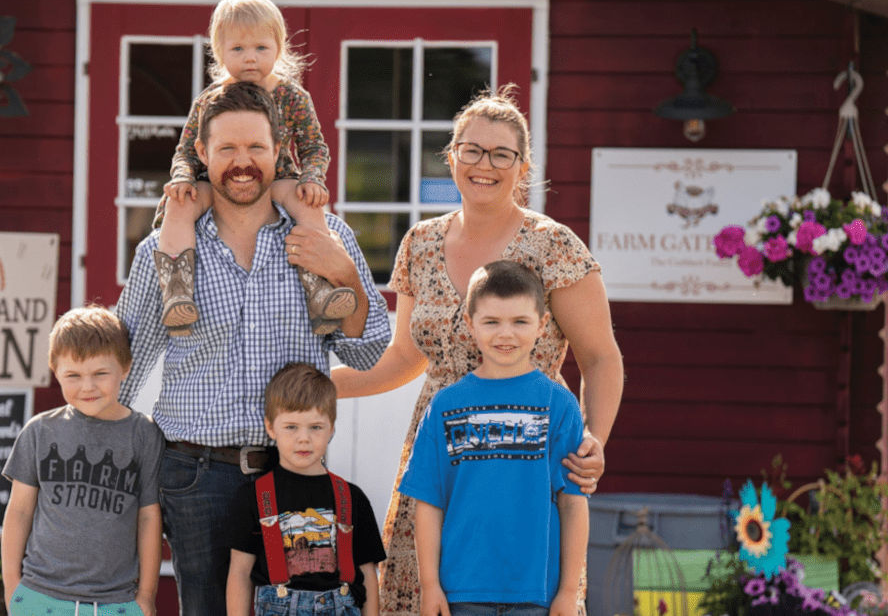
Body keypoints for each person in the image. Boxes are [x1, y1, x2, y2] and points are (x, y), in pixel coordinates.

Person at [330, 85, 623, 615]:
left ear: (522, 165)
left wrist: (593, 441)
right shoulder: (420, 242)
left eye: (501, 154)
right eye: (472, 150)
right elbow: (406, 358)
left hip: (528, 453)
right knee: (432, 593)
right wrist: (321, 387)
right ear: (452, 157)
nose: (484, 165)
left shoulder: (553, 245)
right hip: (446, 448)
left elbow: (601, 358)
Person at [116, 80, 391, 616]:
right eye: (227, 150)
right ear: (201, 153)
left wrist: (343, 274)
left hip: (297, 473)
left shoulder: (324, 237)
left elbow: (368, 351)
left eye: (256, 149)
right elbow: (124, 367)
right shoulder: (165, 250)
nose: (243, 163)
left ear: (279, 149)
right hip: (196, 475)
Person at [153, 0, 354, 337]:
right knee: (178, 204)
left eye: (261, 48)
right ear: (219, 52)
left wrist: (313, 178)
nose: (250, 58)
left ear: (279, 47)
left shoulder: (292, 96)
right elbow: (186, 149)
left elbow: (314, 147)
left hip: (278, 178)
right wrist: (184, 176)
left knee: (306, 202)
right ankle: (176, 293)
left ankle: (318, 289)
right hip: (213, 181)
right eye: (238, 49)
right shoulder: (210, 100)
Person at [399, 261, 588, 616]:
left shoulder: (558, 405)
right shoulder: (446, 405)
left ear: (542, 325)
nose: (506, 334)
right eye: (491, 322)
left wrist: (568, 592)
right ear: (470, 324)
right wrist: (430, 586)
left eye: (520, 321)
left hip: (536, 595)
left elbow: (573, 504)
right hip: (461, 592)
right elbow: (428, 504)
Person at [1, 305, 164, 616]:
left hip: (116, 602)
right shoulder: (39, 432)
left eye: (100, 373)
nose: (87, 386)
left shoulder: (144, 434)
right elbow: (19, 511)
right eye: (73, 375)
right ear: (55, 370)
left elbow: (148, 517)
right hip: (40, 597)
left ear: (125, 367)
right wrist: (12, 588)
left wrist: (146, 595)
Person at [226, 363, 386, 616]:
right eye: (291, 427)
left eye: (315, 427)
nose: (304, 438)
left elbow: (367, 573)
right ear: (271, 427)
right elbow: (240, 572)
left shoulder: (352, 498)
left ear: (331, 428)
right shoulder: (253, 497)